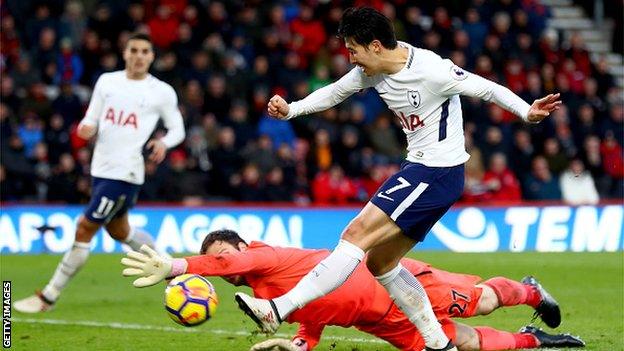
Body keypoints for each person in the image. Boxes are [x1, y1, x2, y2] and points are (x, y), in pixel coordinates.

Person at [239, 7, 562, 351]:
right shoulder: (374, 70)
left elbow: (486, 88)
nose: (351, 59)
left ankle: (279, 308)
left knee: (354, 236)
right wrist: (293, 109)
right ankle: (438, 343)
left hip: (436, 172)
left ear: (375, 46)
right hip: (424, 172)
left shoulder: (433, 70)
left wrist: (526, 111)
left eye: (353, 50)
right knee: (381, 263)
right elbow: (335, 92)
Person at [120, 230, 585, 350]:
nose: (224, 267)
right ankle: (532, 339)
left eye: (224, 255)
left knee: (481, 302)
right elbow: (314, 315)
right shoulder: (266, 292)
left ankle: (527, 290)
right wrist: (299, 346)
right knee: (460, 343)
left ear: (241, 246)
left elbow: (230, 261)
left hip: (397, 286)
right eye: (218, 263)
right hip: (379, 322)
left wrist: (178, 265)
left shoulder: (264, 256)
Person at [14, 33, 186, 313]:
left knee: (85, 227)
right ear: (125, 53)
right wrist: (85, 128)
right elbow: (90, 120)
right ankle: (174, 270)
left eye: (145, 51)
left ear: (152, 56)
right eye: (134, 50)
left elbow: (178, 128)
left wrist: (163, 142)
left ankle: (48, 296)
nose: (139, 55)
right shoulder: (107, 82)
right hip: (101, 168)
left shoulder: (161, 91)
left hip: (126, 171)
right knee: (120, 231)